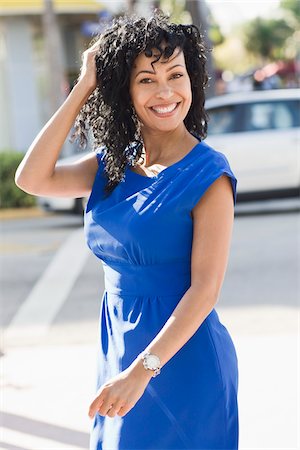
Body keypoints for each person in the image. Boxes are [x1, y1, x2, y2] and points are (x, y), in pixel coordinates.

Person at [15, 10, 239, 450]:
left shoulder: (209, 174)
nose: (166, 92)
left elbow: (204, 291)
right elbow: (32, 178)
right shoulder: (114, 163)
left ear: (193, 80)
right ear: (124, 91)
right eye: (146, 80)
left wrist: (140, 372)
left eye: (177, 75)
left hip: (181, 359)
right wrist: (84, 86)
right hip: (119, 348)